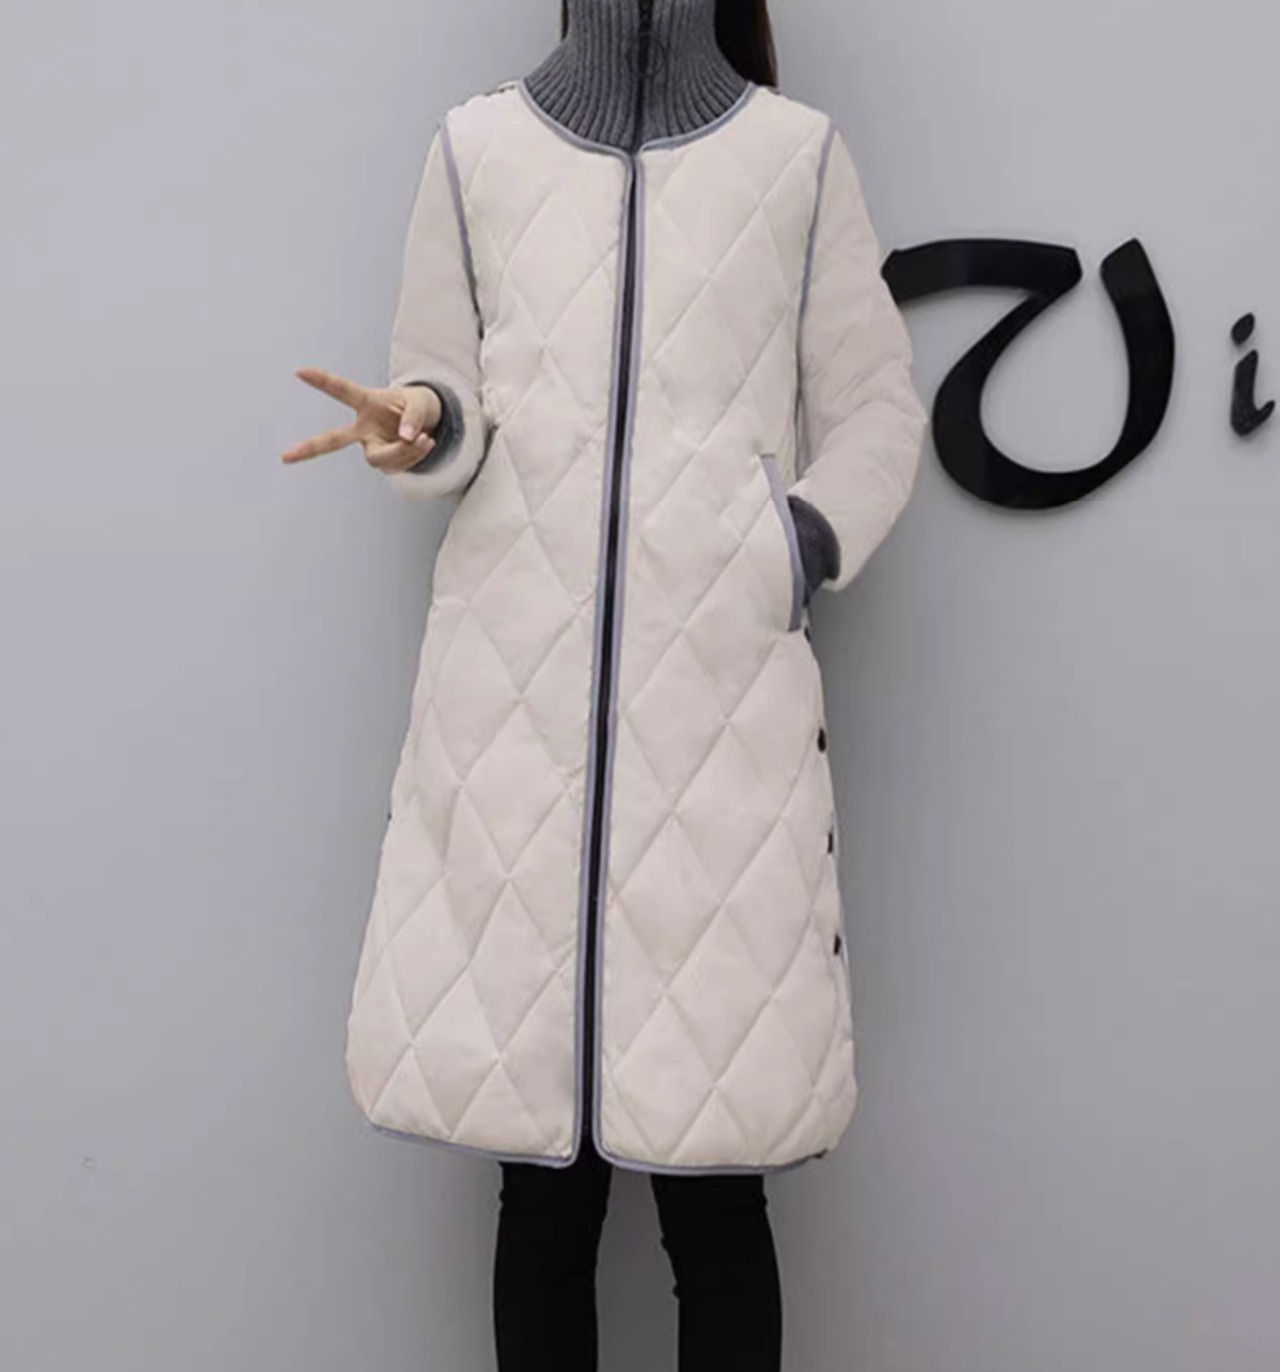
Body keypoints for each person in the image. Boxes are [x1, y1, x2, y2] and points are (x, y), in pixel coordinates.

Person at [282, 2, 929, 1368]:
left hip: (721, 736)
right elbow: (446, 389)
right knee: (539, 1186)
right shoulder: (474, 151)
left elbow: (877, 410)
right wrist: (422, 425)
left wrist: (792, 547)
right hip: (513, 730)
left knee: (718, 1187)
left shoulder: (798, 158)